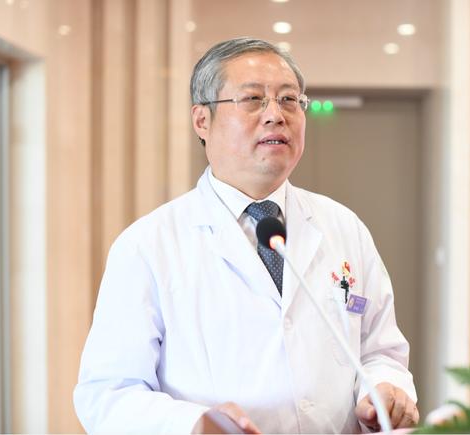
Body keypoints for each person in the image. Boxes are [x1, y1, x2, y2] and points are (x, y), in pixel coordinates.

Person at [74, 37, 418, 434]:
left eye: (289, 100)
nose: (276, 115)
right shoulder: (148, 245)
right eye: (253, 99)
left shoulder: (343, 227)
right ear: (202, 121)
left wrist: (385, 390)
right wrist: (192, 424)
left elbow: (380, 350)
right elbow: (107, 394)